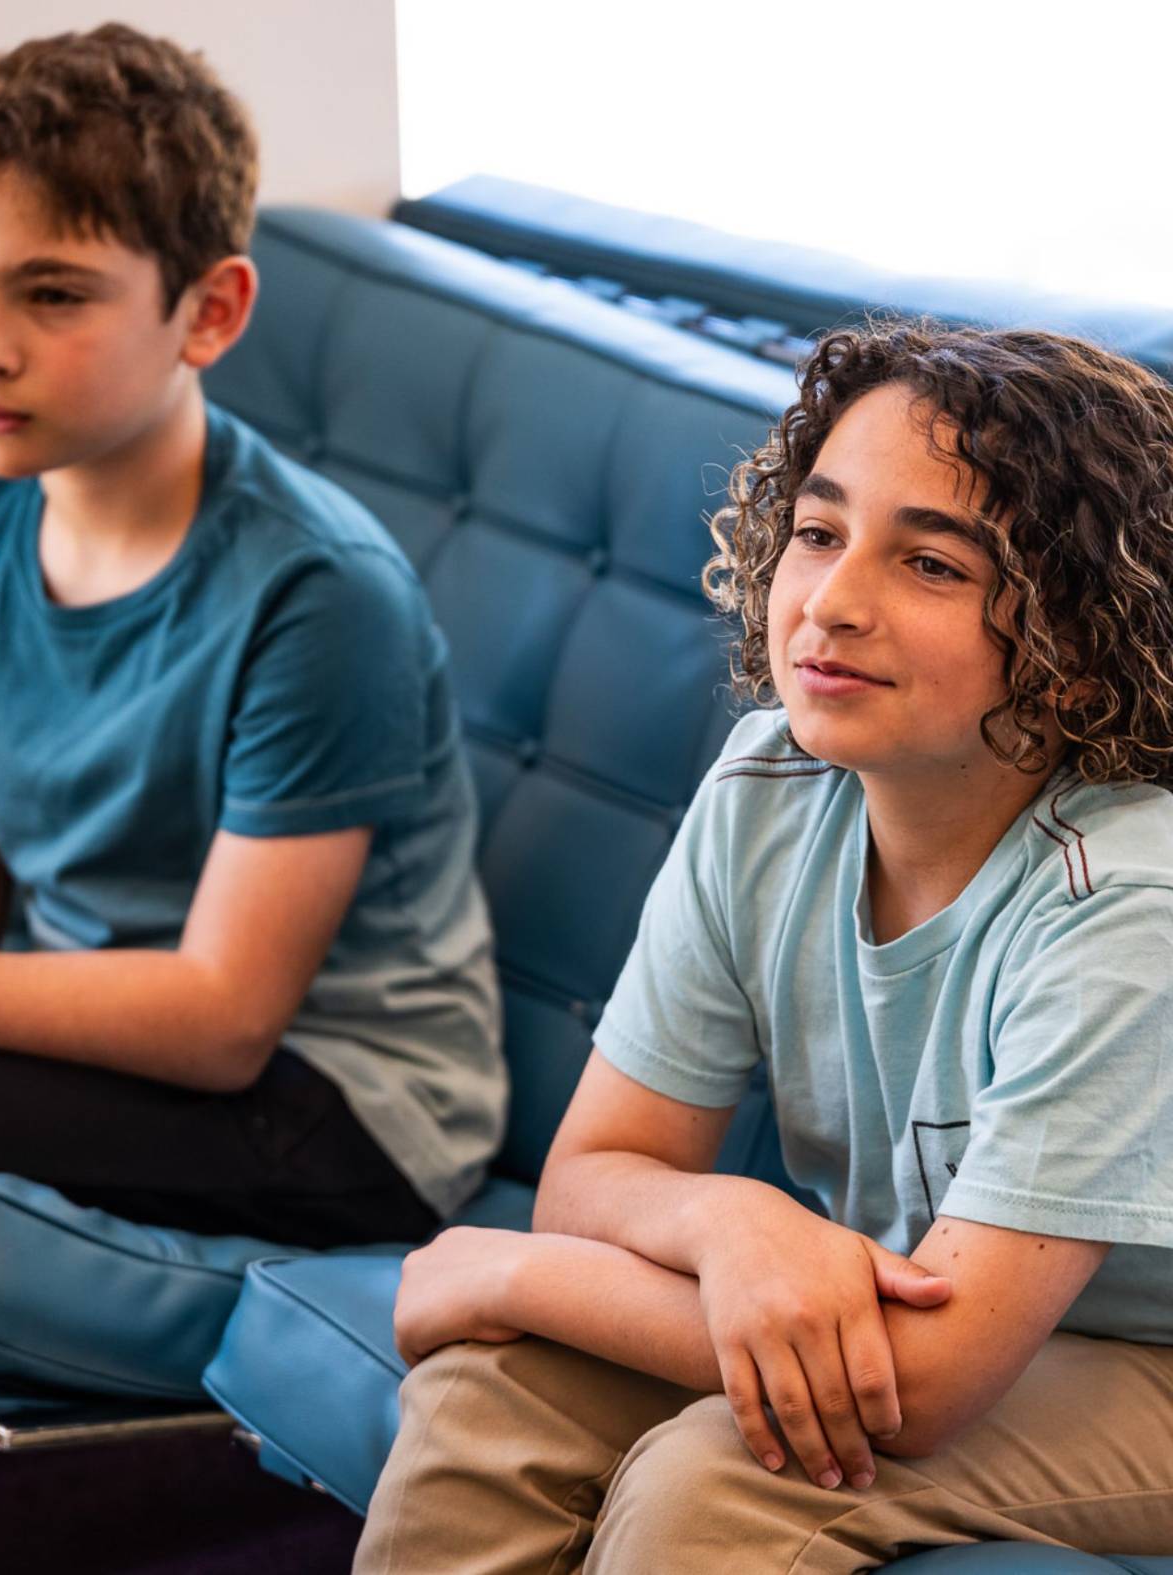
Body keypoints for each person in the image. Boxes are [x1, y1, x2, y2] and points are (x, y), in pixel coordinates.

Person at [354, 322, 1173, 1571]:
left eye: (932, 565)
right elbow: (595, 1176)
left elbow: (922, 1380)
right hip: (943, 1311)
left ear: (1081, 650)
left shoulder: (1123, 904)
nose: (830, 604)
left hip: (1145, 1365)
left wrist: (504, 1275)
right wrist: (732, 1222)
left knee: (723, 1480)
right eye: (817, 532)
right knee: (495, 1389)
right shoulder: (766, 790)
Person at [0, 24, 504, 1249]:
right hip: (89, 1024)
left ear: (209, 313)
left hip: (340, 1097)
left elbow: (222, 1019)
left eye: (51, 294)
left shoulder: (320, 592)